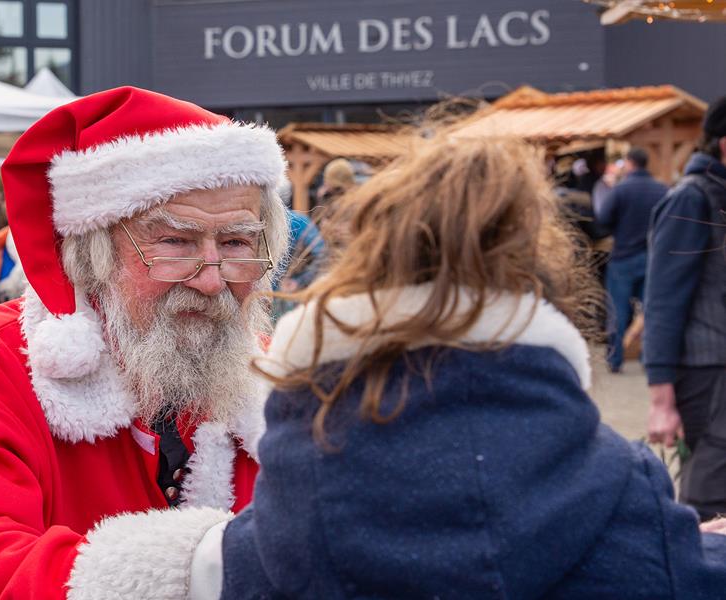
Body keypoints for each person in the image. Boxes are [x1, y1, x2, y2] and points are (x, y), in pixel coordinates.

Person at [84, 132, 726, 599]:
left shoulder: (283, 521)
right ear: (545, 300)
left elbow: (140, 571)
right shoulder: (627, 499)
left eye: (234, 243)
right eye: (176, 241)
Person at [0, 86, 289, 598]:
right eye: (174, 242)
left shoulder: (274, 377)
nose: (211, 280)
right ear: (91, 255)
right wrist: (197, 564)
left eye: (236, 243)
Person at [645, 96, 726, 521]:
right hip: (707, 372)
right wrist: (660, 395)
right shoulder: (692, 199)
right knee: (710, 495)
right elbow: (663, 298)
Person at [594, 147, 669, 372]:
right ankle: (649, 357)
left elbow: (603, 218)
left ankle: (615, 359)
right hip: (651, 257)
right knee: (650, 310)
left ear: (629, 163)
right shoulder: (661, 190)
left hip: (622, 257)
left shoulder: (620, 190)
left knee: (617, 311)